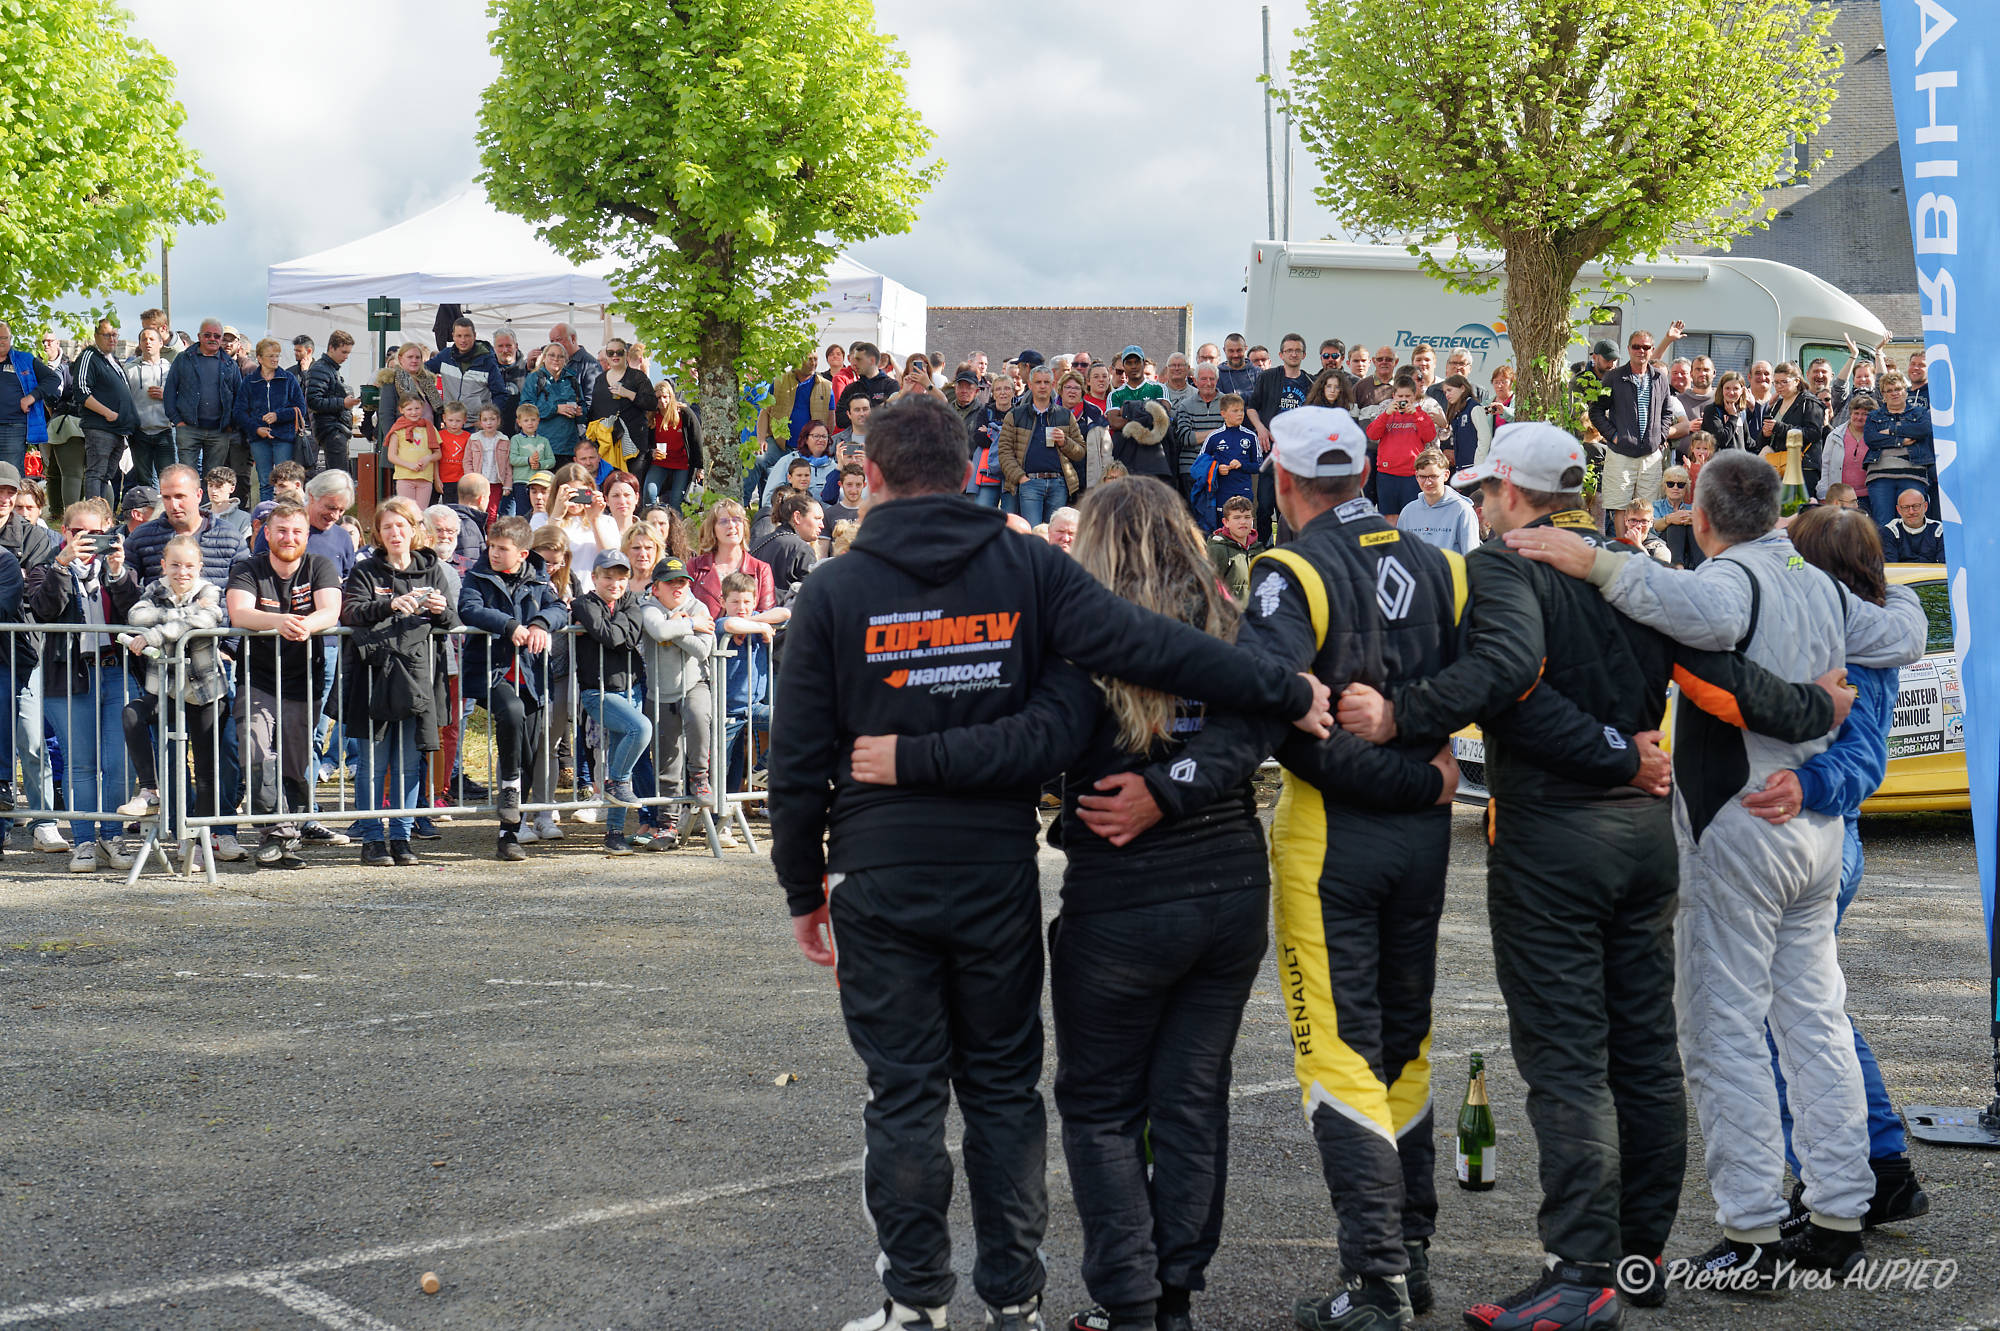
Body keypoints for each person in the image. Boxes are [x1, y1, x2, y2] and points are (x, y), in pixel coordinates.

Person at [767, 394, 1331, 1331]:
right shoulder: (1025, 564)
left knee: (905, 1091)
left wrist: (801, 886)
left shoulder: (833, 589)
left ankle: (916, 1304)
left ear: (867, 475)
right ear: (971, 465)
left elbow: (795, 766)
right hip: (992, 873)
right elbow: (1146, 650)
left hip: (882, 870)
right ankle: (1017, 1299)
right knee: (1001, 1086)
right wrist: (1281, 687)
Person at [1337, 431, 1854, 1327]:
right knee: (1645, 1052)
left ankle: (1583, 1276)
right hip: (1643, 843)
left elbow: (1507, 683)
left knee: (1570, 1061)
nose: (1485, 504)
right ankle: (1635, 1261)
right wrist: (1820, 708)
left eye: (1487, 491)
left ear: (1506, 491)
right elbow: (1719, 673)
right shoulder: (1631, 566)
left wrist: (1399, 715)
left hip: (1558, 840)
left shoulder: (1508, 567)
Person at [847, 478, 1276, 1331]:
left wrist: (911, 757)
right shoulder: (1228, 624)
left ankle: (1132, 1303)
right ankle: (1176, 1299)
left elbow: (1035, 748)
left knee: (1103, 1104)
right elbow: (1265, 713)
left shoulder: (1080, 643)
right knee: (1192, 1096)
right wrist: (1184, 779)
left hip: (1126, 899)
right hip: (1231, 886)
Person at [1499, 449, 1928, 1291]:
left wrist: (1590, 557)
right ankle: (1840, 1207)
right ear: (1776, 513)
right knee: (1816, 1020)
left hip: (1744, 823)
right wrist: (1882, 568)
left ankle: (1755, 1231)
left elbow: (1688, 603)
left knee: (1724, 1029)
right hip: (1815, 833)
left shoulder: (1738, 582)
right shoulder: (1823, 585)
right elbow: (1902, 628)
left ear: (1699, 519)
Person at [1757, 505, 1931, 1238]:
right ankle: (1879, 1164)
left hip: (1820, 840)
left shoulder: (1853, 644)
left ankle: (1854, 1172)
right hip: (1817, 841)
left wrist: (1804, 787)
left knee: (1794, 1021)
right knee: (1807, 1013)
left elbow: (1860, 762)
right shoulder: (1872, 621)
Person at [338, 498, 456, 868]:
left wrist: (438, 610)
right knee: (373, 763)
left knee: (408, 763)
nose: (394, 533)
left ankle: (402, 837)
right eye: (387, 527)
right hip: (374, 675)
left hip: (418, 675)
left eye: (401, 526)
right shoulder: (366, 571)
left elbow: (451, 620)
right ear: (378, 533)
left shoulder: (431, 568)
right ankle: (373, 838)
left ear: (414, 530)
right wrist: (389, 605)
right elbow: (352, 611)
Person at [225, 500, 342, 870]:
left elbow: (331, 610)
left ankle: (290, 830)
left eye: (296, 531)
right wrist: (278, 622)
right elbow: (239, 612)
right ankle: (273, 833)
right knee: (256, 751)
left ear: (306, 535)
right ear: (266, 533)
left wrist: (309, 624)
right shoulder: (247, 567)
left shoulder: (319, 565)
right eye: (281, 530)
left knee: (295, 762)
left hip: (303, 679)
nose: (288, 538)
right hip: (257, 678)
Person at [27, 498, 142, 872]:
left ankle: (112, 837)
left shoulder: (120, 568)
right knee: (79, 766)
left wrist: (119, 572)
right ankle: (83, 843)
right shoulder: (46, 569)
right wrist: (62, 565)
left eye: (96, 534)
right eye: (78, 533)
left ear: (109, 532)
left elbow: (135, 613)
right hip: (68, 676)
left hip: (115, 670)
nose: (87, 540)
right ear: (65, 532)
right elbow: (44, 610)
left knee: (118, 763)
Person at [461, 515, 570, 860]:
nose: (494, 553)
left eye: (503, 549)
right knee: (510, 712)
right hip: (493, 673)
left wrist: (539, 623)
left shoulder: (539, 580)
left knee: (527, 751)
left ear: (522, 554)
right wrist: (509, 625)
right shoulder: (478, 576)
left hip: (532, 677)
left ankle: (509, 833)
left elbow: (559, 610)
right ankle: (509, 797)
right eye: (492, 546)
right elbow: (469, 608)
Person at [114, 533, 227, 849]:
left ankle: (203, 840)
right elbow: (136, 616)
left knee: (205, 769)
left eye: (189, 565)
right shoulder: (154, 590)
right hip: (163, 689)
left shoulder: (209, 590)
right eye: (175, 565)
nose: (182, 572)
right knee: (132, 713)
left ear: (200, 566)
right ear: (164, 565)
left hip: (203, 690)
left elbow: (209, 617)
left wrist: (155, 635)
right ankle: (150, 790)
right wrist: (183, 619)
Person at [570, 548, 653, 855]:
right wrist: (613, 628)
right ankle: (613, 782)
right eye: (607, 577)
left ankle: (615, 832)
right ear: (594, 577)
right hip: (598, 692)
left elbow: (626, 637)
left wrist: (611, 628)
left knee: (624, 755)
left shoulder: (632, 601)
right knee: (641, 730)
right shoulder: (584, 602)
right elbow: (612, 637)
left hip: (630, 690)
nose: (615, 583)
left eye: (620, 577)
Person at [639, 555, 715, 847]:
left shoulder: (699, 607)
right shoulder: (647, 606)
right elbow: (658, 631)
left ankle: (699, 778)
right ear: (656, 587)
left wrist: (679, 626)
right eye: (670, 583)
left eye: (683, 581)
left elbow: (702, 650)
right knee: (666, 760)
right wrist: (689, 626)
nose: (678, 587)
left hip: (694, 684)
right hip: (658, 692)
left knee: (698, 717)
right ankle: (667, 826)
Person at [1590, 330, 1673, 533]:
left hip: (1650, 456)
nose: (1641, 351)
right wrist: (1615, 437)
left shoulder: (1660, 378)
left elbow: (1667, 412)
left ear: (1652, 350)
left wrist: (1659, 437)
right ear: (1629, 349)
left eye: (1646, 347)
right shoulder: (1613, 377)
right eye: (1636, 346)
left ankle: (1641, 552)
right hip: (1621, 454)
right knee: (1620, 507)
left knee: (1646, 508)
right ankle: (1623, 549)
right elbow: (1596, 411)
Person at [998, 364, 1087, 525]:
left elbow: (1080, 452)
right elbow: (1004, 452)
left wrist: (1064, 441)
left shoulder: (1065, 415)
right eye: (1038, 382)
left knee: (1054, 535)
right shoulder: (1015, 415)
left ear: (1053, 385)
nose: (1042, 386)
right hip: (1030, 482)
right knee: (1034, 534)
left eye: (1046, 382)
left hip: (1058, 483)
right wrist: (1021, 477)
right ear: (1030, 385)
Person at [1247, 333, 1315, 537]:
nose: (1293, 354)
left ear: (1304, 354)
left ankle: (1288, 546)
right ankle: (1264, 545)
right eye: (1289, 350)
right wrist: (1261, 428)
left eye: (1297, 350)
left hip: (1295, 454)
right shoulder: (1268, 377)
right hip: (1271, 450)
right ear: (1281, 354)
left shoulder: (1310, 383)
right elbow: (1251, 407)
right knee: (1265, 505)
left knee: (1289, 506)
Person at [162, 319, 242, 480]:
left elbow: (239, 397)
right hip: (188, 429)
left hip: (219, 431)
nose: (212, 339)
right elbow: (169, 392)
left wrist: (230, 424)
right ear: (199, 336)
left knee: (213, 479)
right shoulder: (183, 359)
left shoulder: (229, 364)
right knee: (186, 478)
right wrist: (178, 421)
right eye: (207, 335)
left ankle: (206, 506)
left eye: (217, 336)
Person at [233, 338, 307, 504]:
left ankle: (285, 512)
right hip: (259, 439)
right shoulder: (249, 382)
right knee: (265, 482)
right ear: (259, 358)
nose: (275, 359)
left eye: (277, 356)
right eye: (270, 356)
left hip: (284, 438)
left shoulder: (288, 379)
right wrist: (256, 429)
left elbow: (301, 408)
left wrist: (278, 415)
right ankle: (266, 518)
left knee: (285, 481)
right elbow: (239, 412)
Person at [685, 499, 781, 626]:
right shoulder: (695, 566)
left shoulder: (761, 569)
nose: (732, 525)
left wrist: (739, 624)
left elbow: (767, 615)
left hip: (748, 641)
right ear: (713, 529)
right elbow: (683, 608)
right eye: (724, 521)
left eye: (737, 520)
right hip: (706, 642)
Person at [73, 318, 138, 503]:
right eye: (107, 335)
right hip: (100, 427)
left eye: (115, 335)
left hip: (118, 429)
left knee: (106, 475)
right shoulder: (89, 356)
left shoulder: (113, 360)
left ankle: (102, 515)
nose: (112, 339)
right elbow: (82, 391)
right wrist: (107, 413)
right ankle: (93, 516)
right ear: (96, 336)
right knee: (96, 473)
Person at [1363, 375, 1438, 521]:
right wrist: (1386, 415)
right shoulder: (1386, 413)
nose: (1403, 399)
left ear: (1414, 396)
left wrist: (1416, 414)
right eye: (1400, 396)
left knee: (1413, 517)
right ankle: (1392, 545)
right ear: (1393, 396)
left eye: (1407, 396)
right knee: (1390, 517)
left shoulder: (1420, 414)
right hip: (1387, 474)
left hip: (1412, 475)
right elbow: (1372, 434)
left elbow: (1429, 436)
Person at [1861, 373, 1933, 517]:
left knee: (1912, 521)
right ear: (1883, 395)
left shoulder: (1920, 413)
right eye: (1889, 390)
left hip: (1913, 475)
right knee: (1884, 523)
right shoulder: (1874, 416)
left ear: (1905, 391)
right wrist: (1901, 441)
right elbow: (1871, 439)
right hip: (1880, 475)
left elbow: (1922, 430)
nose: (1894, 393)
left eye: (1898, 389)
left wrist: (1891, 431)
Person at [1187, 393, 1260, 531]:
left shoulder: (1250, 436)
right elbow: (1199, 467)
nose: (1240, 414)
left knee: (1243, 527)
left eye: (1241, 410)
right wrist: (1217, 469)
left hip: (1243, 491)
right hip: (1222, 491)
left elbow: (1259, 466)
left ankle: (1245, 552)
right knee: (1222, 530)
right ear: (1223, 414)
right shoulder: (1214, 437)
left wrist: (1242, 465)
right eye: (1235, 411)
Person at [587, 338, 657, 478]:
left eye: (619, 352)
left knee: (631, 486)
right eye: (610, 352)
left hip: (634, 444)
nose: (615, 356)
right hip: (607, 442)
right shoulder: (600, 379)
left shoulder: (637, 377)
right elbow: (595, 409)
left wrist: (628, 394)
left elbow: (652, 403)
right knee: (608, 485)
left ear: (626, 354)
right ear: (606, 355)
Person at [0, 320, 61, 477]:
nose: (1, 341)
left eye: (4, 338)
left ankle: (14, 502)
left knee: (11, 475)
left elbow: (53, 380)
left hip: (13, 427)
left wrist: (31, 397)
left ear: (10, 338)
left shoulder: (24, 360)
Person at [1761, 361, 1829, 496]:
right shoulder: (1777, 404)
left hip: (1803, 469)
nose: (1779, 386)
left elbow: (1814, 433)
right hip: (1779, 468)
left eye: (1784, 382)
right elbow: (1767, 440)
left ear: (1797, 381)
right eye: (1776, 383)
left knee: (1801, 514)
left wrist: (1778, 427)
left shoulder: (1810, 402)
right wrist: (1765, 434)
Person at [1397, 448, 1480, 555]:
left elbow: (1471, 555)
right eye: (1423, 476)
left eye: (1433, 476)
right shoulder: (1408, 512)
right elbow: (1401, 553)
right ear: (1416, 476)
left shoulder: (1462, 510)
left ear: (1446, 475)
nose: (1427, 482)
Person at [122, 326, 175, 488]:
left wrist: (165, 395)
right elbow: (124, 401)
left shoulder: (171, 369)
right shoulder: (129, 369)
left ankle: (166, 512)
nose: (148, 342)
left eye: (152, 339)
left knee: (167, 478)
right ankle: (148, 511)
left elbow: (182, 398)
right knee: (143, 480)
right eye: (144, 339)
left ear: (161, 343)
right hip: (140, 433)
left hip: (165, 431)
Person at [425, 317, 505, 423]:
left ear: (474, 336)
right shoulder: (445, 356)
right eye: (459, 336)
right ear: (453, 336)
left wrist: (489, 418)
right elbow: (422, 371)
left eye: (467, 336)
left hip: (475, 425)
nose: (463, 340)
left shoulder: (487, 361)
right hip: (451, 423)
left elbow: (500, 394)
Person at [303, 330, 360, 477]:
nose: (346, 357)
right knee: (339, 477)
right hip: (331, 430)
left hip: (334, 429)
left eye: (348, 353)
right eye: (343, 352)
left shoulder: (328, 369)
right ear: (331, 348)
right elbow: (313, 401)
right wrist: (343, 403)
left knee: (339, 476)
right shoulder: (321, 368)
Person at [749, 491, 820, 604]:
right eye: (817, 518)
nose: (822, 524)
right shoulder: (802, 549)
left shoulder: (759, 543)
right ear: (797, 517)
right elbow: (811, 598)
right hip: (784, 616)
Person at [522, 344, 586, 464]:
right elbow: (526, 409)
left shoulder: (572, 379)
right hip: (542, 447)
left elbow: (583, 406)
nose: (556, 359)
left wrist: (580, 411)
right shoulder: (534, 378)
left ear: (565, 360)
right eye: (552, 355)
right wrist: (555, 409)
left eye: (560, 356)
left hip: (569, 447)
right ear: (544, 357)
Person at [644, 377, 703, 507]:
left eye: (665, 397)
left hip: (682, 463)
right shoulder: (652, 416)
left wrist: (700, 466)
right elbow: (644, 443)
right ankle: (650, 522)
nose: (662, 401)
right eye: (658, 398)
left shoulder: (684, 413)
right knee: (650, 492)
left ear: (671, 396)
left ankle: (676, 526)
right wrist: (651, 452)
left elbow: (697, 439)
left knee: (677, 500)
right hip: (660, 461)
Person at [761, 419, 837, 510]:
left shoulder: (834, 467)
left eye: (824, 436)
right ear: (806, 439)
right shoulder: (787, 461)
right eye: (816, 436)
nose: (821, 439)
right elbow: (770, 496)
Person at [965, 372, 1014, 509]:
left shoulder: (1019, 412)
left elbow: (1019, 441)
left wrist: (991, 432)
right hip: (987, 472)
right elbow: (979, 439)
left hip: (1011, 472)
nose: (1003, 392)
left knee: (1009, 518)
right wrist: (1004, 433)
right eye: (998, 389)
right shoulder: (985, 411)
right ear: (993, 393)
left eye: (1007, 388)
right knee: (983, 514)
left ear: (1013, 392)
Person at [1819, 395, 1875, 510]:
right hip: (1840, 497)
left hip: (1868, 497)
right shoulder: (1835, 435)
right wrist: (1823, 493)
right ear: (1850, 413)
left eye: (1865, 414)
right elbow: (1825, 466)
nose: (1859, 417)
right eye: (1856, 413)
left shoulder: (1877, 437)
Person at [1206, 494, 1264, 601]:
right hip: (1228, 614)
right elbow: (1207, 588)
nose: (1243, 522)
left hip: (1254, 614)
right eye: (1237, 518)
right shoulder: (1216, 550)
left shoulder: (1258, 549)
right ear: (1226, 522)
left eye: (1247, 517)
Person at [385, 396, 442, 506]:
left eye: (417, 408)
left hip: (425, 478)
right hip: (405, 477)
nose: (414, 412)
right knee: (407, 511)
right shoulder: (398, 429)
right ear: (401, 410)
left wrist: (428, 458)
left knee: (421, 512)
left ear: (423, 408)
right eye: (409, 409)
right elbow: (391, 456)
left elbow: (438, 453)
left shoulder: (430, 428)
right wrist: (409, 465)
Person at [505, 404, 556, 517]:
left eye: (533, 420)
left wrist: (539, 464)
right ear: (519, 422)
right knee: (523, 514)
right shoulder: (516, 439)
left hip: (539, 482)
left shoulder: (544, 441)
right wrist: (528, 460)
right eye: (526, 420)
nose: (530, 423)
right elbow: (513, 459)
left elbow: (552, 461)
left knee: (540, 511)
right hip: (521, 482)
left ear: (538, 420)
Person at [834, 341, 895, 430]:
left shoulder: (891, 385)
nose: (855, 363)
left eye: (859, 359)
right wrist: (880, 409)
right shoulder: (851, 388)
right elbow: (840, 420)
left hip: (883, 441)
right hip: (855, 441)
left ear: (872, 360)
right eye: (854, 359)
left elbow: (894, 418)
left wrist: (856, 414)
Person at [1701, 371, 1762, 454]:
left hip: (1739, 462)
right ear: (1721, 389)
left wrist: (1765, 439)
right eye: (1727, 388)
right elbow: (1721, 440)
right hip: (1720, 463)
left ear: (1742, 390)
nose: (1731, 392)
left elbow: (1748, 442)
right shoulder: (1712, 410)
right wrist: (1732, 417)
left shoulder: (1741, 412)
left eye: (1736, 388)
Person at [1879, 488, 1945, 563]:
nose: (1911, 512)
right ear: (1898, 510)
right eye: (1905, 507)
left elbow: (1945, 566)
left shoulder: (1940, 530)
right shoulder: (1889, 531)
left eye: (1916, 506)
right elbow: (1890, 567)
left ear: (1925, 507)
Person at [436, 402, 471, 505]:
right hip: (445, 480)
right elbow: (436, 460)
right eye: (450, 420)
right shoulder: (439, 435)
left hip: (461, 480)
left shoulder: (468, 437)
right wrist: (437, 479)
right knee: (447, 508)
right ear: (444, 418)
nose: (454, 424)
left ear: (464, 420)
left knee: (460, 507)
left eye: (458, 421)